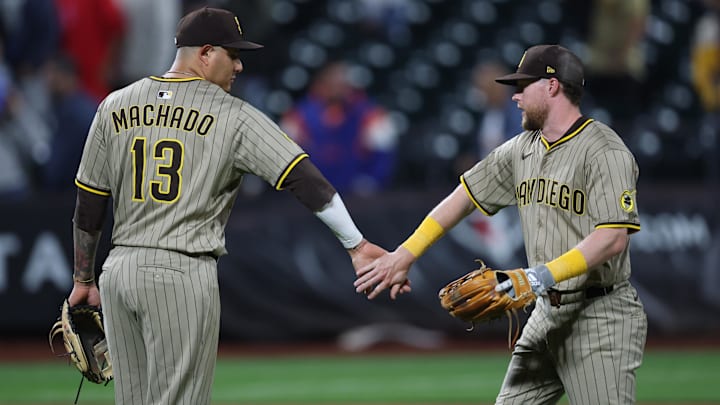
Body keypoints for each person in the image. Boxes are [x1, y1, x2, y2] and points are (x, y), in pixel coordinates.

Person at [65, 7, 388, 405]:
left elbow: (90, 200)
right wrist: (355, 245)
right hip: (180, 271)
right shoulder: (232, 115)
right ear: (204, 53)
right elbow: (302, 177)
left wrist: (83, 279)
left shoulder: (115, 104)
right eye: (231, 54)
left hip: (118, 272)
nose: (237, 65)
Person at [354, 44, 648, 404]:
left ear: (552, 86)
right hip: (548, 313)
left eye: (523, 85)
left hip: (599, 317)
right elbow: (462, 196)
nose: (515, 96)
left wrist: (536, 277)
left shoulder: (605, 150)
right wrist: (405, 254)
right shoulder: (521, 148)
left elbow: (612, 238)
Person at [280, 60, 398, 195]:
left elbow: (384, 152)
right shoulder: (300, 115)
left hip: (356, 187)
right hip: (313, 188)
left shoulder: (368, 113)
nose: (338, 88)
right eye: (332, 83)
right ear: (321, 84)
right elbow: (285, 155)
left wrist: (372, 180)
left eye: (342, 83)